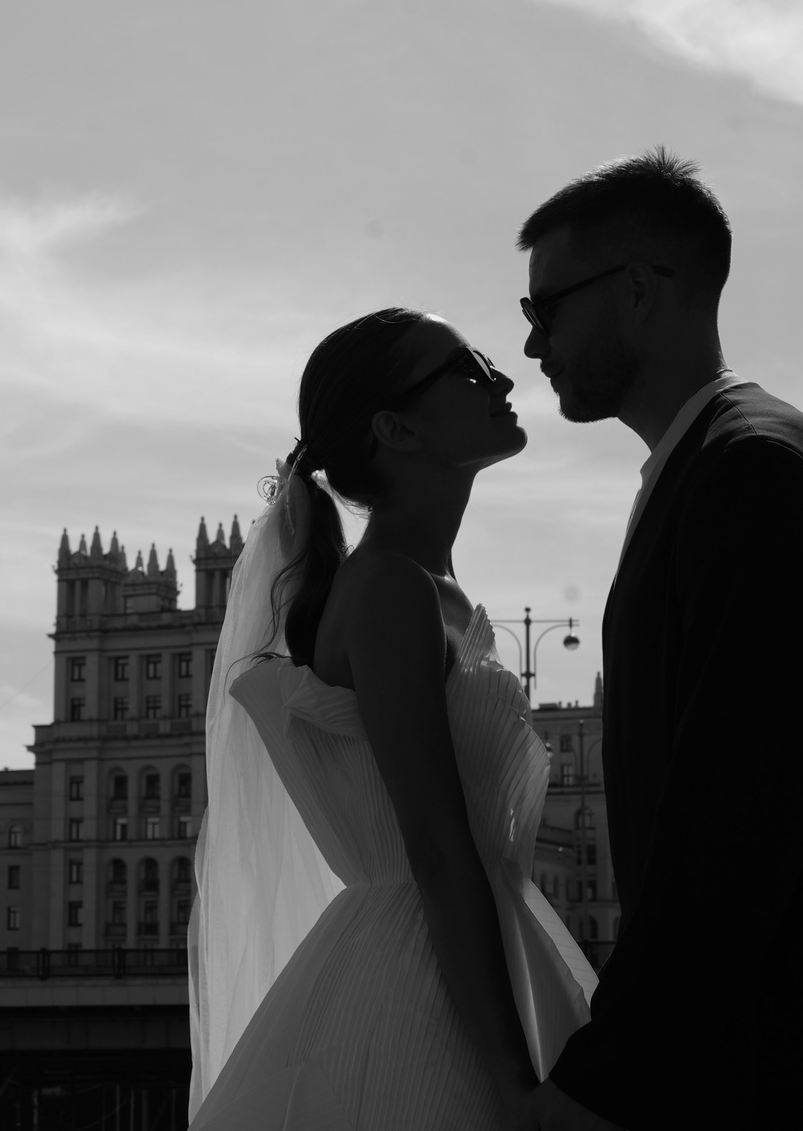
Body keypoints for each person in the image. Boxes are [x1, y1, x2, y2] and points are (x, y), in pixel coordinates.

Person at [509, 151, 803, 1131]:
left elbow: (733, 821)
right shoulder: (729, 461)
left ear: (638, 290)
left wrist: (601, 1082)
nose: (532, 345)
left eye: (545, 307)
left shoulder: (750, 476)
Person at [191, 309, 597, 1130]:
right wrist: (514, 1086)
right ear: (395, 427)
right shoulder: (389, 591)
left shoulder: (425, 586)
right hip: (425, 1000)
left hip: (467, 963)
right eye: (468, 367)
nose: (502, 378)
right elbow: (439, 848)